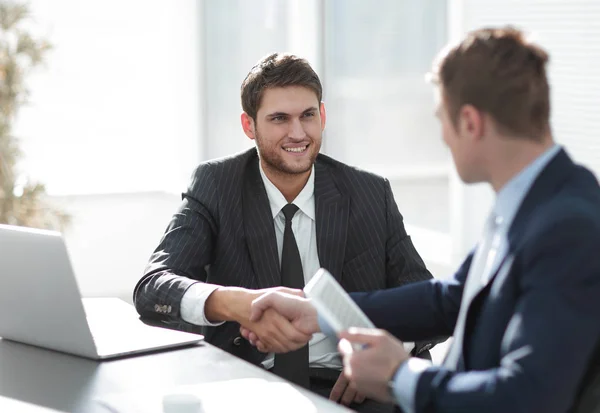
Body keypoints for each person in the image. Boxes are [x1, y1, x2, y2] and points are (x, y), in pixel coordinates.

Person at [242, 27, 600, 413]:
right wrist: (319, 314)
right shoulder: (531, 198)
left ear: (470, 122)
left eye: (441, 118)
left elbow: (530, 397)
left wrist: (399, 376)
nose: (443, 137)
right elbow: (452, 297)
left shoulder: (568, 226)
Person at [133, 53, 440, 412]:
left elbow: (429, 301)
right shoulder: (217, 185)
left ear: (322, 116)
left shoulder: (369, 192)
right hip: (247, 386)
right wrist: (235, 304)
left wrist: (381, 356)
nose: (298, 133)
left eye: (307, 116)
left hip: (351, 389)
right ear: (249, 126)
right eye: (279, 119)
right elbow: (153, 287)